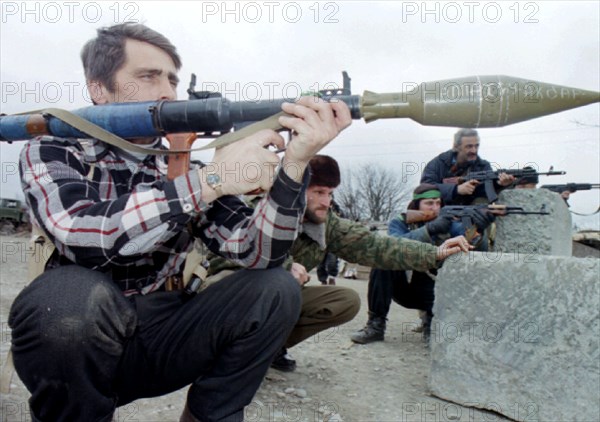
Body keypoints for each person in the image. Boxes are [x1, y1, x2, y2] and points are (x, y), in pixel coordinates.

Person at [8, 23, 352, 422]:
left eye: (171, 79)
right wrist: (209, 182)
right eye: (148, 76)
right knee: (67, 300)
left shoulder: (184, 166)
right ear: (99, 89)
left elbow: (256, 253)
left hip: (163, 339)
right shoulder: (53, 149)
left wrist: (295, 164)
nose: (168, 91)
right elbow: (84, 235)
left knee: (274, 289)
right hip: (79, 345)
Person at [207, 155, 473, 372]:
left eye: (331, 193)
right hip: (230, 293)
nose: (327, 201)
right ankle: (222, 355)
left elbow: (376, 246)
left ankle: (267, 349)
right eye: (319, 192)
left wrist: (433, 252)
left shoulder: (325, 223)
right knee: (271, 282)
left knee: (343, 301)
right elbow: (219, 262)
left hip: (279, 295)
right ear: (295, 190)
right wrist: (283, 267)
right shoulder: (256, 210)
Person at [350, 183, 495, 344]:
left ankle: (431, 324)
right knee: (382, 262)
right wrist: (429, 230)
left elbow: (472, 248)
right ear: (416, 204)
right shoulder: (401, 222)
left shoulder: (450, 224)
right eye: (429, 203)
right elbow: (394, 245)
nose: (435, 207)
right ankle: (375, 326)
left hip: (436, 292)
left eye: (438, 203)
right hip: (404, 289)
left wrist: (478, 230)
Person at [421, 128, 515, 205]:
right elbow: (425, 188)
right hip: (441, 210)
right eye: (469, 146)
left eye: (476, 146)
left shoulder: (483, 165)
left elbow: (484, 192)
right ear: (456, 146)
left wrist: (499, 184)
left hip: (470, 211)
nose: (474, 150)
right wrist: (456, 190)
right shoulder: (437, 164)